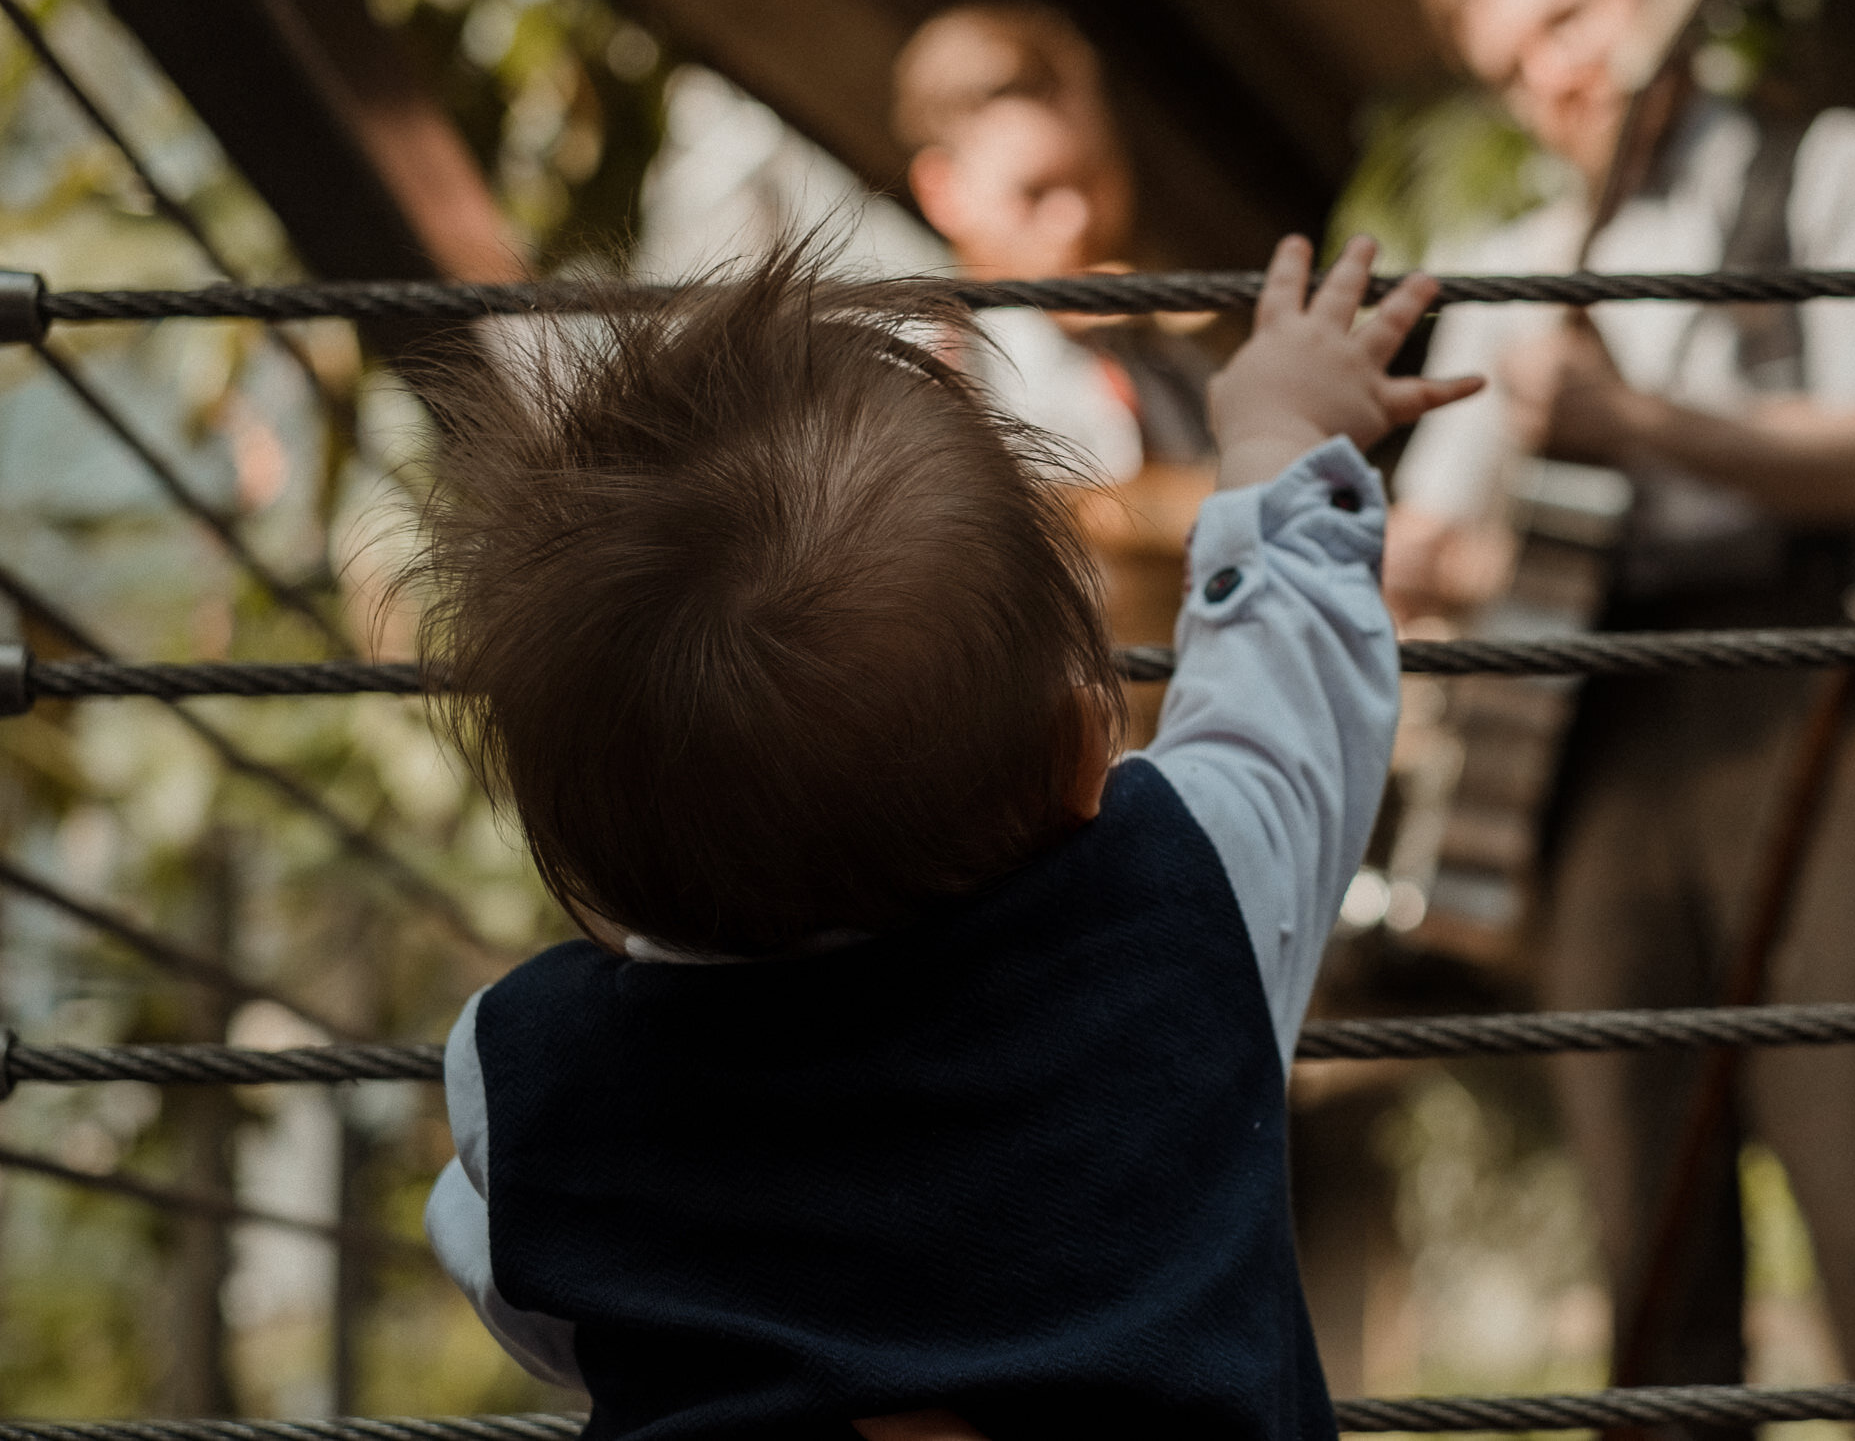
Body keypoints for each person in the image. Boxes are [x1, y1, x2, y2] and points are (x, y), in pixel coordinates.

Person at [415, 234, 1475, 1441]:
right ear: (1088, 745)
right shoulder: (1192, 891)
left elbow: (538, 1312)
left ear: (598, 884)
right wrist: (1281, 434)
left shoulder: (538, 1081)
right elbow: (1294, 684)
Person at [1385, 0, 1855, 1405]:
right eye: (1513, 59)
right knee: (1647, 1256)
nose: (1554, 74)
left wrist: (1632, 424)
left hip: (1820, 689)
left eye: (1572, 19)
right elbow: (1451, 558)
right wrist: (1409, 549)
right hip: (1592, 746)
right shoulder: (1504, 263)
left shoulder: (1841, 165)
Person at [894, 0, 1216, 483]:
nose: (1077, 218)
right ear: (942, 193)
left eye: (1092, 176)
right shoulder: (925, 375)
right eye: (1035, 192)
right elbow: (1079, 509)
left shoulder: (1162, 354)